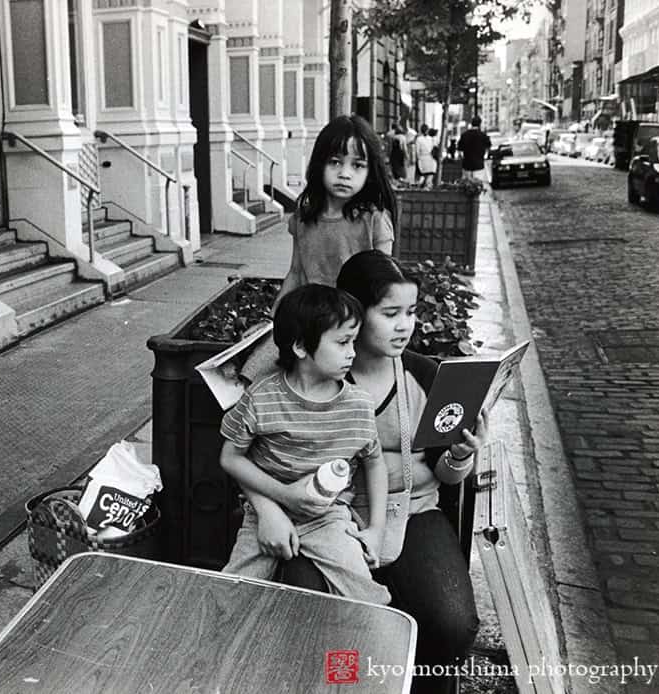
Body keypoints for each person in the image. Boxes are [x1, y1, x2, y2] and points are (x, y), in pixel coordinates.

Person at [279, 250, 488, 694]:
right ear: (353, 311)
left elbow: (445, 477)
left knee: (450, 623)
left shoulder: (425, 375)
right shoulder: (318, 370)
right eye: (390, 313)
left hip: (413, 512)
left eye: (410, 313)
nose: (404, 326)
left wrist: (461, 456)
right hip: (328, 518)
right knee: (313, 613)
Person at [219, 283, 391, 605]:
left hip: (329, 516)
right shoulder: (261, 398)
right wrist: (279, 500)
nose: (353, 352)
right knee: (231, 596)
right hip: (264, 510)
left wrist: (377, 529)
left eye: (353, 341)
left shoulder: (358, 406)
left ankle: (359, 652)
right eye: (342, 342)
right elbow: (231, 458)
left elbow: (375, 461)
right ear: (300, 347)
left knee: (367, 601)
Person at [272, 114, 397, 307]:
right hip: (311, 321)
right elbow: (296, 272)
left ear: (370, 172)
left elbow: (384, 284)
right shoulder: (303, 218)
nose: (344, 174)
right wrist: (277, 316)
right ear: (319, 164)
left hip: (354, 327)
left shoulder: (375, 220)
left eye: (357, 165)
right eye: (335, 162)